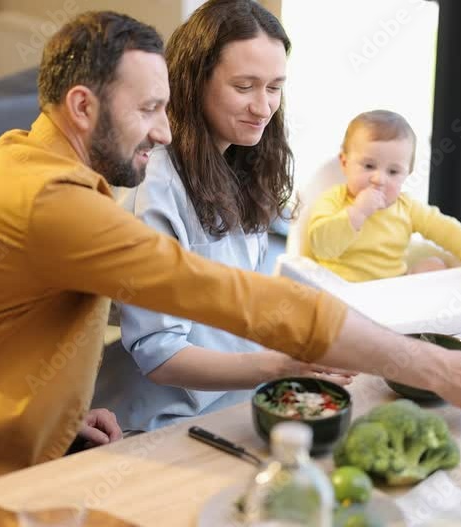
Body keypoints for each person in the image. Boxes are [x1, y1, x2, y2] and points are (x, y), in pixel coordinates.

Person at [0, 12, 461, 515]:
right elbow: (226, 296)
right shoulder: (52, 202)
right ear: (83, 106)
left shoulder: (26, 162)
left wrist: (60, 414)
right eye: (149, 108)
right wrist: (438, 368)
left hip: (14, 453)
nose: (165, 129)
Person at [94, 0, 354, 433]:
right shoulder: (153, 185)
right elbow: (162, 354)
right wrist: (280, 366)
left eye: (274, 87)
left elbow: (242, 299)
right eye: (244, 86)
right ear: (194, 82)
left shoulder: (240, 160)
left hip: (235, 398)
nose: (263, 107)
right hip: (165, 419)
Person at [308, 110, 461, 284]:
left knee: (434, 266)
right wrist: (357, 213)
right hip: (342, 292)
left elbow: (447, 229)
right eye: (369, 166)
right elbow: (321, 247)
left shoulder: (406, 207)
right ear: (344, 163)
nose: (379, 179)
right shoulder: (334, 200)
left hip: (392, 289)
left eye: (393, 172)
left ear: (408, 173)